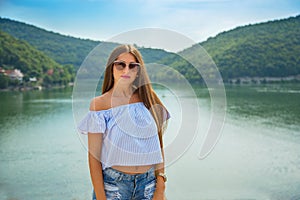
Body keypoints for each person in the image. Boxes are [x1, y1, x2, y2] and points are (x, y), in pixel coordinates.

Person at [78, 44, 170, 200]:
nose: (126, 70)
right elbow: (94, 158)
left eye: (132, 66)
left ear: (138, 71)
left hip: (148, 185)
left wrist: (160, 187)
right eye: (120, 64)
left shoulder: (148, 98)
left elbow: (158, 145)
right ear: (111, 67)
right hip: (113, 187)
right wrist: (101, 197)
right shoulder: (99, 105)